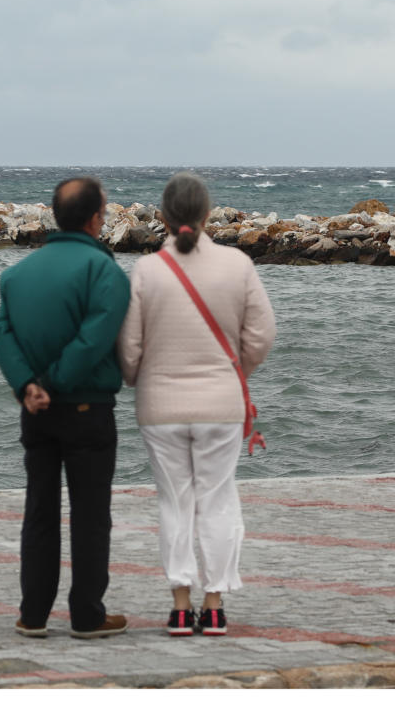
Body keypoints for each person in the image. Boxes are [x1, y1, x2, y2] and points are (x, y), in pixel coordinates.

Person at [117, 171, 276, 636]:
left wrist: (136, 378)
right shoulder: (237, 264)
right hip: (221, 405)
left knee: (175, 503)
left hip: (160, 407)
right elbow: (262, 335)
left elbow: (129, 345)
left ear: (163, 218)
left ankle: (181, 606)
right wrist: (236, 372)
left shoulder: (146, 270)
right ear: (207, 215)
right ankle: (215, 603)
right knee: (219, 500)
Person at [0, 176, 131, 639]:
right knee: (90, 516)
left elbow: (1, 336)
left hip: (36, 412)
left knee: (40, 512)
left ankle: (33, 613)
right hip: (87, 409)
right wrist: (51, 383)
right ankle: (87, 614)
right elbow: (95, 338)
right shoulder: (104, 271)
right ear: (95, 218)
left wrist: (28, 386)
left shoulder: (17, 274)